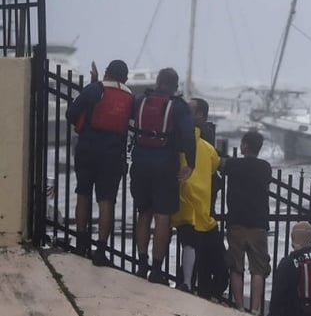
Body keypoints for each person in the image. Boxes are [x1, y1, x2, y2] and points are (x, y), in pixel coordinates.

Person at [65, 59, 134, 267]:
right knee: (106, 202)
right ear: (126, 78)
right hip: (113, 155)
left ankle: (80, 244)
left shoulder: (94, 89)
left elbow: (71, 114)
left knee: (83, 195)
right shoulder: (131, 97)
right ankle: (101, 250)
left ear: (106, 73)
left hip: (87, 149)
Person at [130, 67, 194, 284]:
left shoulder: (140, 101)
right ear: (175, 86)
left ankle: (141, 263)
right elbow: (188, 136)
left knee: (143, 213)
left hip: (140, 163)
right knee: (162, 218)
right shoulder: (178, 107)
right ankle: (157, 270)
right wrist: (191, 164)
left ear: (157, 82)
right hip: (165, 166)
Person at [171, 98, 225, 298]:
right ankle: (207, 287)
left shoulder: (179, 144)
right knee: (202, 245)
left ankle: (185, 282)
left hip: (185, 201)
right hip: (203, 204)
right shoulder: (208, 147)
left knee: (188, 242)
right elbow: (214, 166)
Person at [221, 130, 272, 313]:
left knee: (236, 266)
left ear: (244, 146)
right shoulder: (265, 167)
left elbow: (220, 164)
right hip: (258, 222)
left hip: (236, 221)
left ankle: (240, 306)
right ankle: (256, 309)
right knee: (258, 269)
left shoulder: (233, 165)